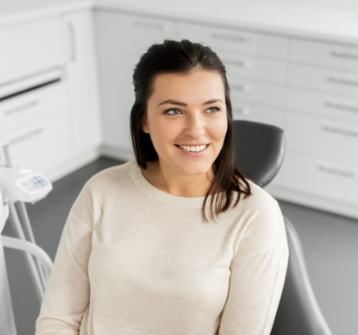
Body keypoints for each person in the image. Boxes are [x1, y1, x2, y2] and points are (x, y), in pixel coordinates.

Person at [35, 39, 289, 335]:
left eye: (211, 109)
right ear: (144, 120)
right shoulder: (102, 191)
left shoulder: (257, 215)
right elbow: (58, 320)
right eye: (173, 111)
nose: (196, 129)